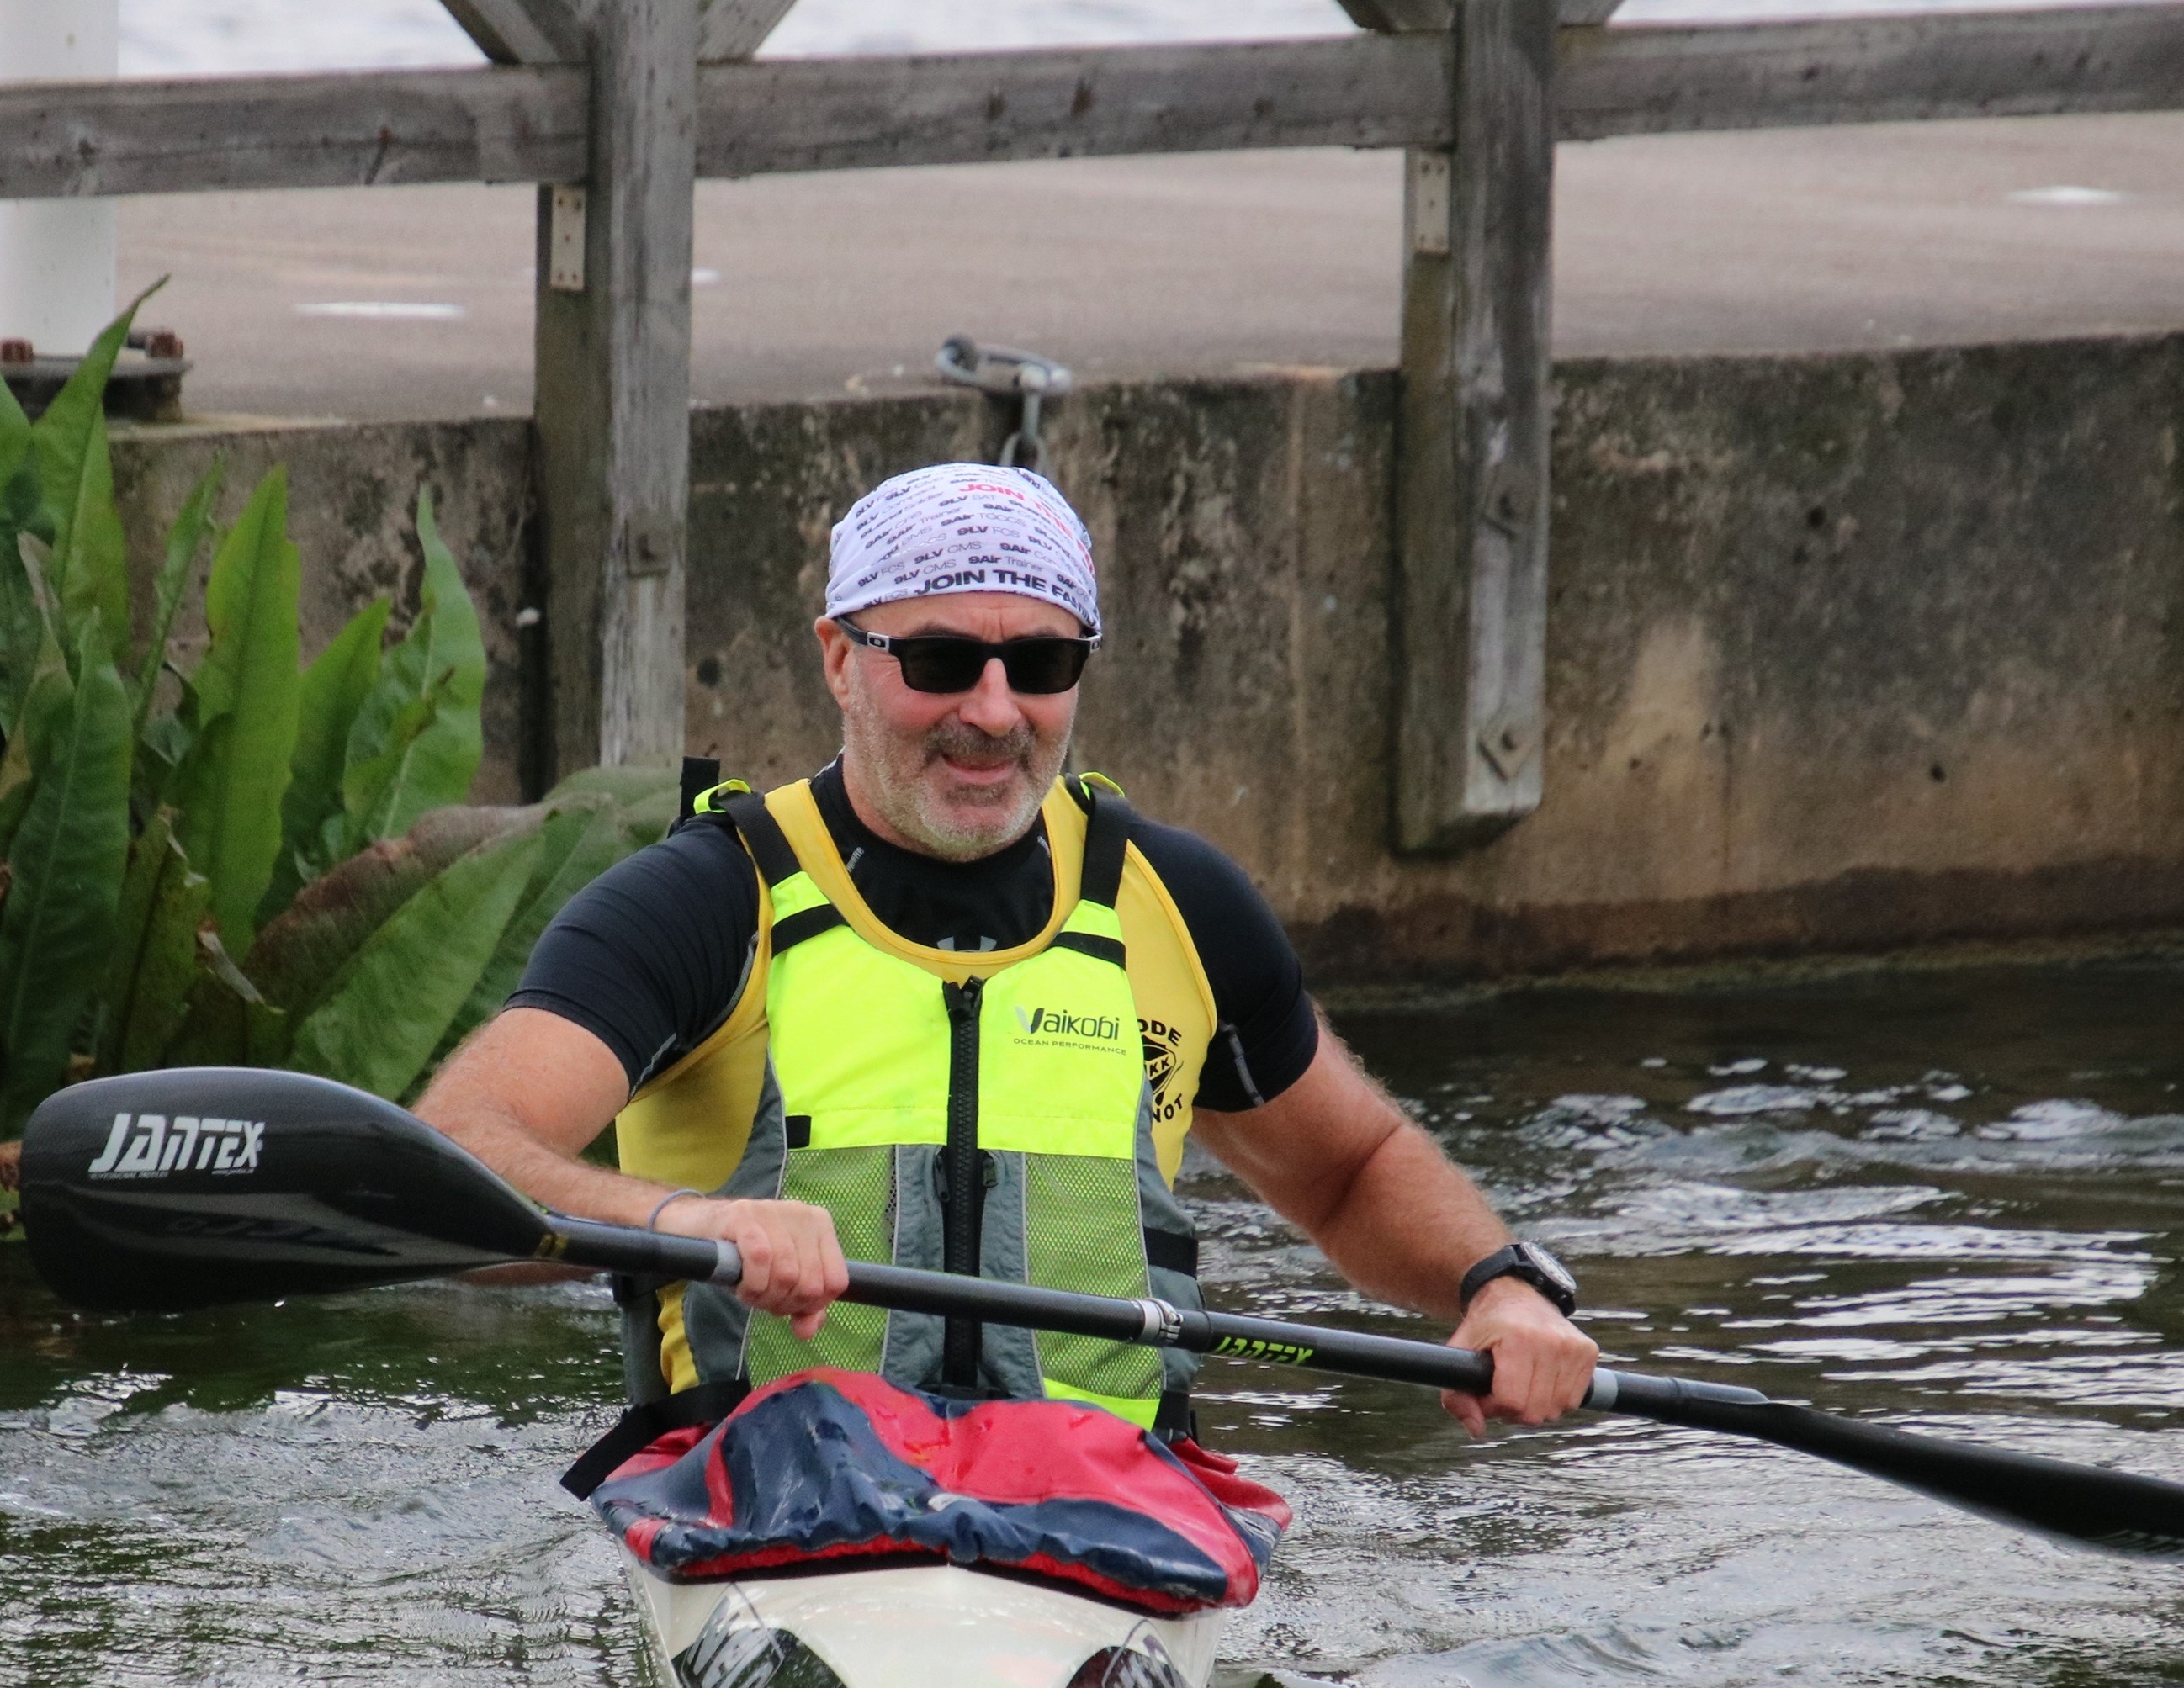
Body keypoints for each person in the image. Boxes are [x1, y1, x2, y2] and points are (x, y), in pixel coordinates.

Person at [416, 463, 1595, 1483]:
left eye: (1039, 662)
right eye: (937, 660)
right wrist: (683, 1218)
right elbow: (457, 1154)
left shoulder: (1175, 904)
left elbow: (1350, 1168)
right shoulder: (706, 903)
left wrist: (1498, 1282)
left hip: (1108, 1513)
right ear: (839, 658)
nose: (993, 711)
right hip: (773, 1504)